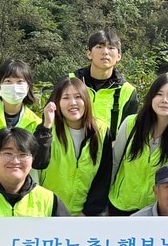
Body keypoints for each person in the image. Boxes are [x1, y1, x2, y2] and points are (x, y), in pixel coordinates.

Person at [108, 71, 168, 216]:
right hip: (121, 205)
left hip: (156, 211)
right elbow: (114, 162)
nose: (164, 100)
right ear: (151, 97)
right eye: (159, 94)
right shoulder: (131, 124)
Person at [34, 76, 112, 217]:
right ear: (56, 102)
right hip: (47, 212)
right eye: (65, 98)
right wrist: (46, 127)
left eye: (78, 97)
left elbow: (104, 177)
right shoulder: (46, 130)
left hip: (85, 216)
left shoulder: (101, 131)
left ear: (86, 101)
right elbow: (38, 163)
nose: (73, 103)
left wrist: (87, 213)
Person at [77, 28, 139, 140]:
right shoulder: (71, 83)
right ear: (89, 54)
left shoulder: (128, 91)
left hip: (108, 154)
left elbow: (129, 132)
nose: (105, 52)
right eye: (99, 47)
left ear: (119, 56)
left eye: (111, 48)